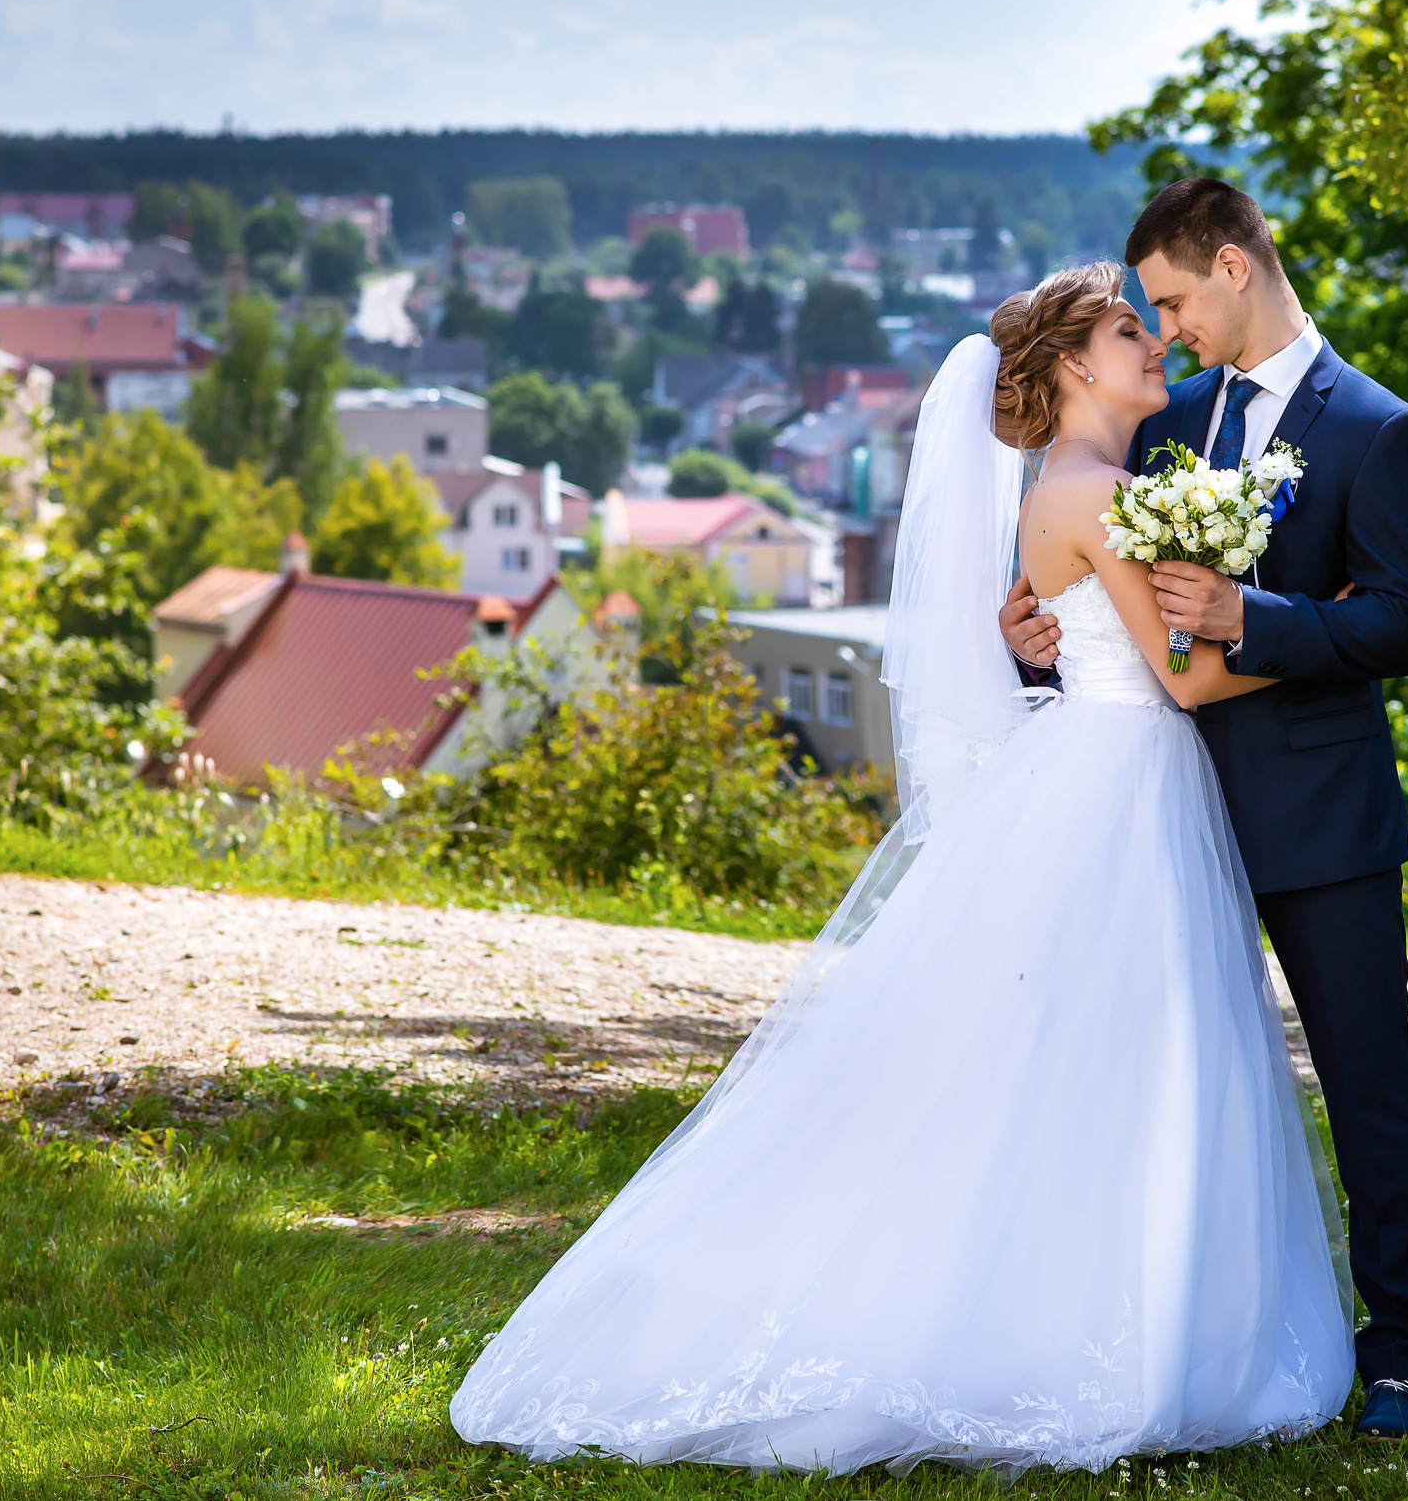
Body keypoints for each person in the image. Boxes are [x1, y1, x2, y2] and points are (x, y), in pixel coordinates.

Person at [449, 261, 1355, 1476]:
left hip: (1112, 773)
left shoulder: (1084, 485)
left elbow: (1104, 639)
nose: (1153, 343)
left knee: (1101, 1052)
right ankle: (1119, 1324)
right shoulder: (1093, 493)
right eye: (1125, 329)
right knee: (1136, 1044)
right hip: (1125, 775)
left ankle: (1108, 1310)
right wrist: (1318, 626)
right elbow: (1184, 677)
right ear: (1074, 364)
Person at [1000, 177, 1408, 1440]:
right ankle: (1148, 1332)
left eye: (1175, 301)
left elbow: (1399, 621)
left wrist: (1262, 618)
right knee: (1145, 1082)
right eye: (1148, 314)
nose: (1169, 329)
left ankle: (1402, 1361)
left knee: (1368, 1086)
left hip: (1316, 813)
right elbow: (1085, 577)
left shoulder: (1380, 429)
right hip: (1150, 820)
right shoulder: (1163, 419)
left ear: (1236, 269)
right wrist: (1023, 627)